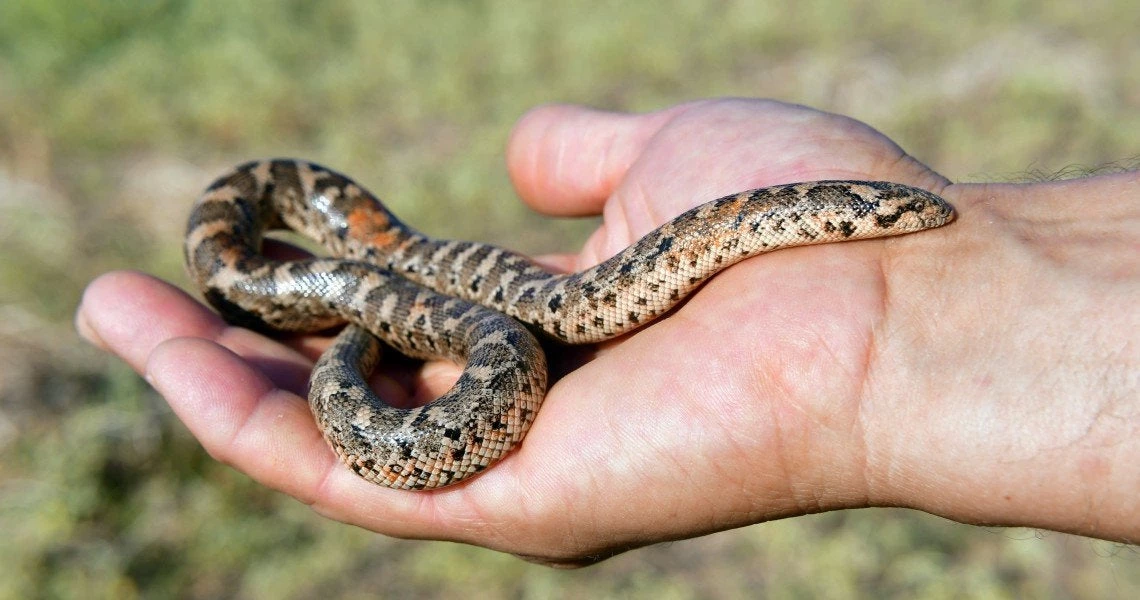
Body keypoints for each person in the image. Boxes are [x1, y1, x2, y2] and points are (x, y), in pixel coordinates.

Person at [75, 99, 1139, 566]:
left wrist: (967, 255)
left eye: (893, 214)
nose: (910, 217)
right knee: (384, 302)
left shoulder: (769, 229)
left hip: (446, 316)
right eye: (897, 214)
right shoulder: (313, 243)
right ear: (830, 213)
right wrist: (359, 334)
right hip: (404, 298)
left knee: (417, 314)